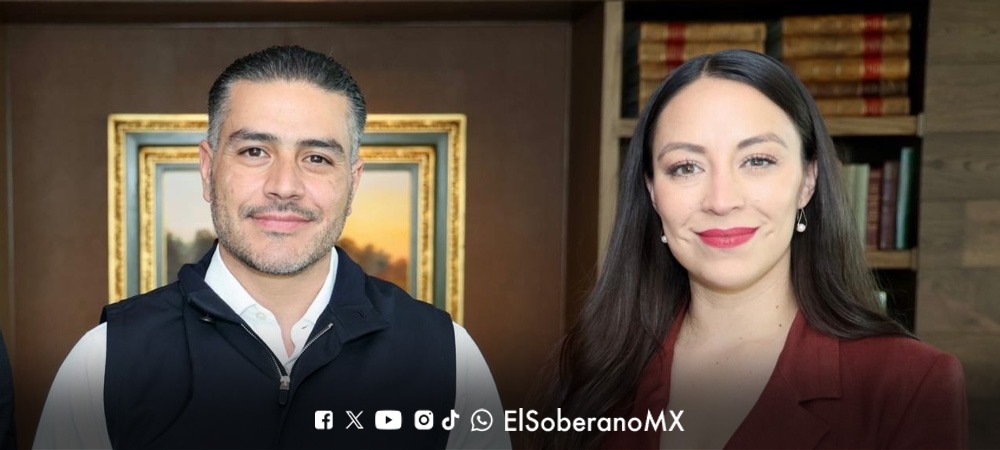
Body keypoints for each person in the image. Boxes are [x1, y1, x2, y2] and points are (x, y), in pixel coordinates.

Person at [34, 46, 510, 449]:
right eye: (254, 151)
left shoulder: (449, 357)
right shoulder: (103, 362)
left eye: (316, 157)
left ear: (353, 180)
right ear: (208, 169)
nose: (284, 185)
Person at [530, 49, 966, 449]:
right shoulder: (590, 371)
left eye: (758, 161)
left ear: (808, 180)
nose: (721, 200)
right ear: (652, 191)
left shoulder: (910, 385)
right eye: (686, 167)